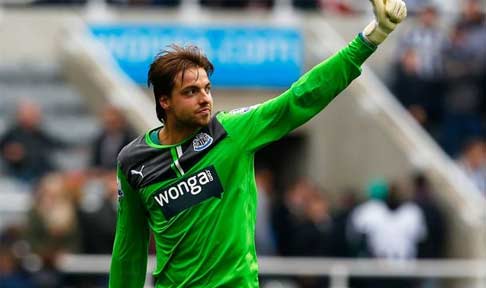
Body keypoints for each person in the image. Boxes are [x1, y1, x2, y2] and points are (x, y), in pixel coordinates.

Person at [109, 0, 408, 286]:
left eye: (207, 88)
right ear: (165, 102)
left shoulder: (231, 131)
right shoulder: (134, 162)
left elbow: (299, 98)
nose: (205, 98)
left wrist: (369, 40)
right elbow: (128, 251)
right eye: (191, 92)